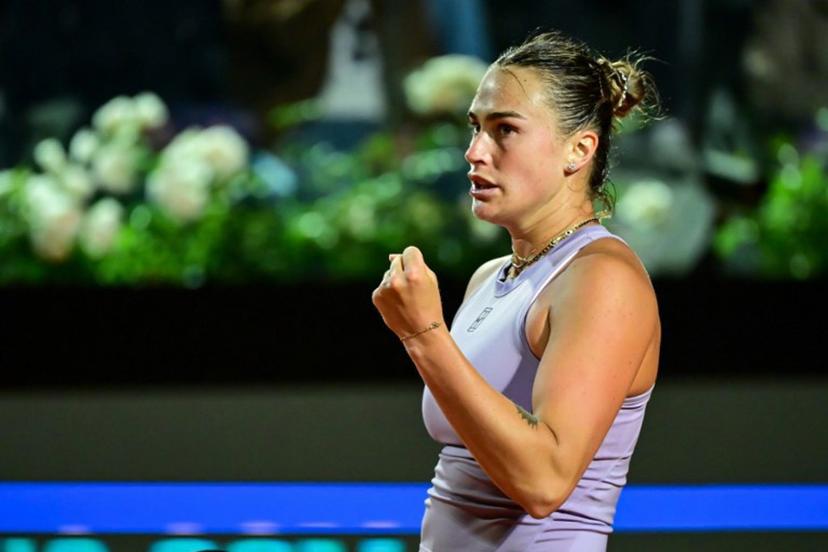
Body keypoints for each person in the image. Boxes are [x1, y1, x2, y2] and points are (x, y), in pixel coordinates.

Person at [372, 30, 661, 551]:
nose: (474, 152)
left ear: (579, 149)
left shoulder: (602, 277)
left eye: (505, 129)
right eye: (475, 127)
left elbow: (544, 482)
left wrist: (423, 333)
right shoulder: (489, 277)